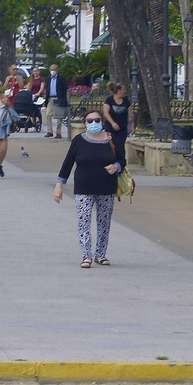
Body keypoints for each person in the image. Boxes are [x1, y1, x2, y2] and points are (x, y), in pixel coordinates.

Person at [54, 110, 123, 268]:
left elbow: (122, 159)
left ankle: (100, 254)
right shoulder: (79, 140)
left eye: (97, 120)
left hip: (106, 187)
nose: (93, 123)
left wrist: (116, 166)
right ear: (84, 123)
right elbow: (68, 163)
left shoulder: (111, 139)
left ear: (102, 122)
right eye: (89, 121)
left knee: (104, 222)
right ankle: (86, 256)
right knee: (84, 221)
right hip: (83, 187)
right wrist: (59, 185)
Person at [102, 83, 130, 162]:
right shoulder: (109, 100)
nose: (125, 91)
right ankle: (109, 160)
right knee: (110, 144)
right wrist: (113, 123)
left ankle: (120, 162)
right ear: (119, 91)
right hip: (110, 128)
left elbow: (130, 114)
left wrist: (132, 126)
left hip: (122, 128)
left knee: (120, 146)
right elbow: (106, 112)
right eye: (124, 90)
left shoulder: (126, 101)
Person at [44, 63, 71, 139]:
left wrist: (64, 99)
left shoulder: (61, 78)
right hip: (50, 98)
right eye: (51, 70)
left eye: (54, 70)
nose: (52, 71)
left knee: (59, 117)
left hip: (59, 98)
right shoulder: (49, 78)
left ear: (57, 70)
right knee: (48, 114)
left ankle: (58, 133)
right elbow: (48, 89)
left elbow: (65, 88)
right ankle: (50, 131)